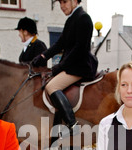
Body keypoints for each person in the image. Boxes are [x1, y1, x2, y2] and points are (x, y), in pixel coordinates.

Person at [31, 0, 97, 135]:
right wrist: (43, 56)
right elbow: (60, 43)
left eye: (65, 2)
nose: (62, 6)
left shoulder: (83, 18)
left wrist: (60, 66)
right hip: (72, 65)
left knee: (51, 87)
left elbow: (80, 49)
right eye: (60, 3)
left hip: (80, 66)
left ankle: (72, 124)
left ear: (74, 1)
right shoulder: (71, 19)